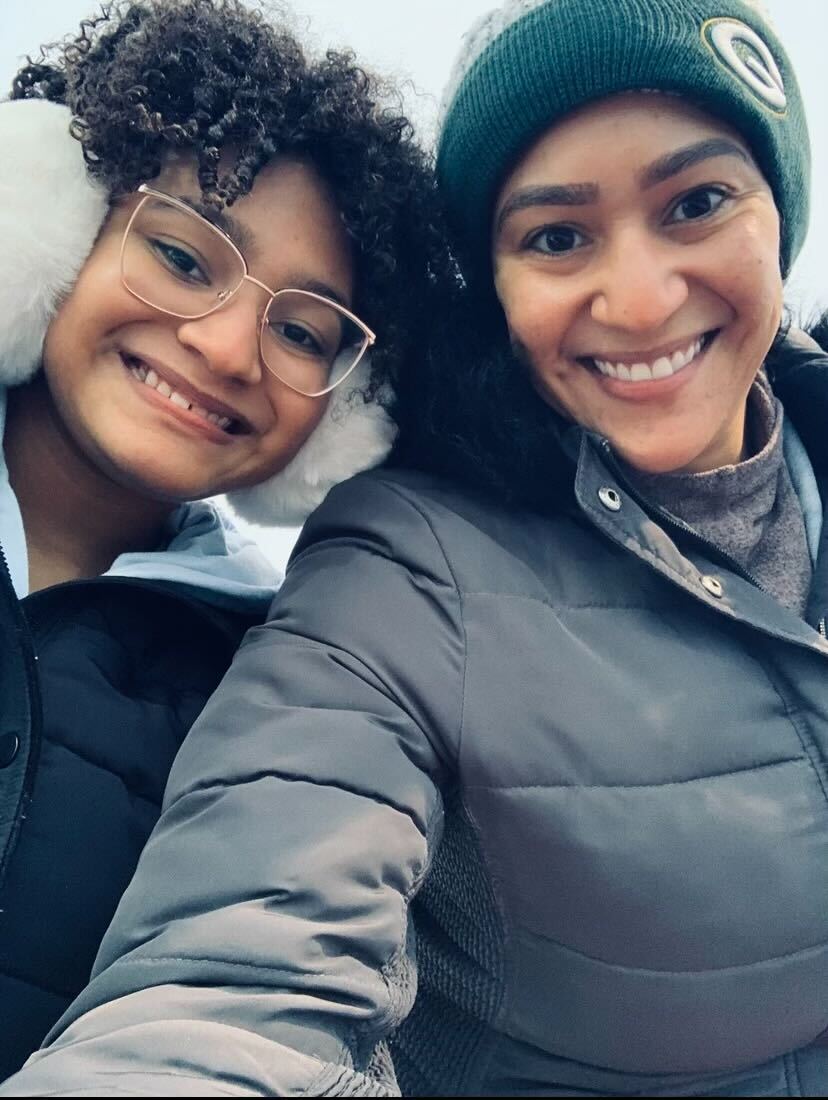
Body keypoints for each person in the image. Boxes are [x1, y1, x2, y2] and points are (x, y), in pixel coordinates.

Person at [5, 0, 828, 1095]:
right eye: (556, 234)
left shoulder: (215, 629)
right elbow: (240, 976)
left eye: (699, 202)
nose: (638, 297)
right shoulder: (394, 581)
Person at [0, 0, 447, 1080]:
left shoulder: (285, 690)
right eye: (183, 255)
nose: (226, 347)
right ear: (52, 223)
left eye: (302, 329)